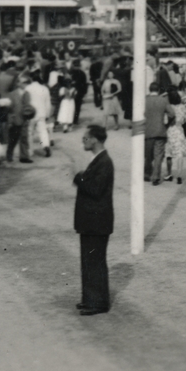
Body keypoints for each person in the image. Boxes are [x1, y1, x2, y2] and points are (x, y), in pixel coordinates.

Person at [73, 123, 114, 315]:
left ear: (95, 139)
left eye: (86, 138)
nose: (83, 141)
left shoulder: (104, 162)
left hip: (96, 222)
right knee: (89, 261)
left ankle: (97, 303)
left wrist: (79, 178)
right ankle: (90, 299)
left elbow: (95, 190)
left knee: (94, 262)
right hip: (92, 222)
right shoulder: (99, 160)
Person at [144, 83, 169, 184]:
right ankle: (156, 177)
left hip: (148, 131)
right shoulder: (163, 100)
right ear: (158, 90)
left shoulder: (144, 100)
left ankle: (146, 173)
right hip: (160, 131)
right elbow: (172, 114)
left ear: (149, 90)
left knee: (148, 154)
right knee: (158, 155)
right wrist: (166, 125)